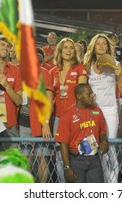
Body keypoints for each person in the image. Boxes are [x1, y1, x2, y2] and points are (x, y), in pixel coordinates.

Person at [83, 33, 122, 183]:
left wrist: (120, 76)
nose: (101, 46)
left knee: (111, 147)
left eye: (104, 43)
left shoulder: (115, 63)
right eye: (98, 43)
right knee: (94, 147)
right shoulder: (87, 65)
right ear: (93, 47)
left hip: (109, 110)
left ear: (108, 47)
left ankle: (112, 183)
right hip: (93, 111)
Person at [50, 37, 88, 182]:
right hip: (58, 118)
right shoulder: (53, 71)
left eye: (71, 47)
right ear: (60, 50)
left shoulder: (80, 69)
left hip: (76, 117)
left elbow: (83, 94)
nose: (68, 50)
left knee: (78, 153)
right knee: (60, 156)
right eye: (65, 47)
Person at [55, 83, 108, 183]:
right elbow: (63, 144)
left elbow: (103, 132)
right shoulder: (68, 115)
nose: (92, 96)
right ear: (79, 96)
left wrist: (104, 140)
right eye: (89, 94)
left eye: (92, 93)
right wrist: (67, 167)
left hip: (94, 159)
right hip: (76, 159)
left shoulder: (97, 111)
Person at [18, 47, 53, 182]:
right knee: (26, 159)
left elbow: (49, 101)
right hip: (23, 122)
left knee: (42, 158)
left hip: (40, 122)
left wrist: (45, 124)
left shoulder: (45, 73)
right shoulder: (20, 73)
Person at [0, 35, 22, 146]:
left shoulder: (15, 70)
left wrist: (6, 85)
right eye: (2, 45)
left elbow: (18, 101)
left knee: (11, 161)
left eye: (8, 46)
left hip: (9, 125)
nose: (6, 48)